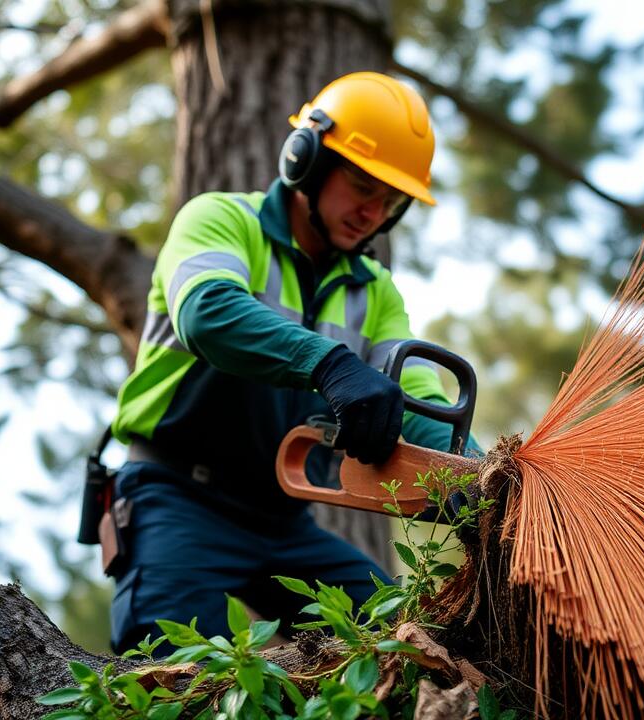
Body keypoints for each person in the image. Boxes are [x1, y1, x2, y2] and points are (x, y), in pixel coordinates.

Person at [105, 71, 474, 654]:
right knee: (170, 679)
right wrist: (331, 365)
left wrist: (482, 476)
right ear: (306, 157)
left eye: (391, 200)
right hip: (176, 496)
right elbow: (207, 311)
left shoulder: (375, 291)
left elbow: (415, 400)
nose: (372, 212)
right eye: (360, 185)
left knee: (401, 645)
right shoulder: (222, 220)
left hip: (284, 522)